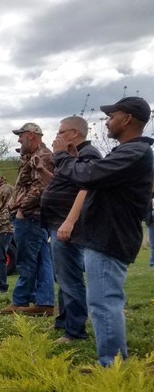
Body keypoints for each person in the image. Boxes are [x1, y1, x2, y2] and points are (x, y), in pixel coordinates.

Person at [53, 96, 154, 367]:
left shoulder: (134, 152)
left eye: (112, 116)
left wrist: (61, 156)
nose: (107, 121)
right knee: (101, 300)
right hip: (104, 235)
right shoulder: (127, 151)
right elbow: (91, 173)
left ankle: (111, 366)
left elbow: (88, 176)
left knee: (103, 302)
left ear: (128, 119)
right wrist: (73, 158)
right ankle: (111, 361)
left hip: (110, 237)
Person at [40, 116, 102, 344]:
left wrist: (70, 221)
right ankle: (63, 322)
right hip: (57, 223)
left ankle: (75, 331)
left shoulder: (89, 154)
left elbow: (87, 188)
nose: (56, 137)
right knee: (63, 277)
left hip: (67, 226)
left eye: (60, 131)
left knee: (71, 278)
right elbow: (65, 182)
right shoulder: (72, 156)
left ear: (74, 133)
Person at [1, 122, 56, 316]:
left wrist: (22, 210)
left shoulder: (43, 156)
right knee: (42, 260)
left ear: (31, 135)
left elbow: (41, 187)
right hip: (34, 216)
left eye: (21, 135)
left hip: (31, 216)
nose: (18, 139)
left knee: (26, 260)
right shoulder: (35, 156)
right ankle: (45, 303)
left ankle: (21, 300)